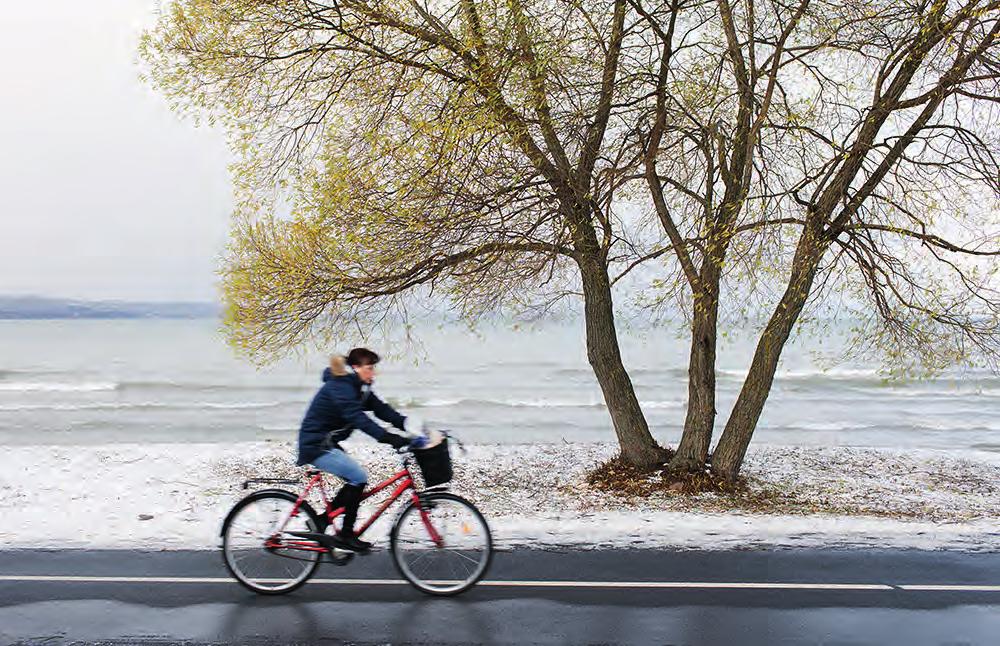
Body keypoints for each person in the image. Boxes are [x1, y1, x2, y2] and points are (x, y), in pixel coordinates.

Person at [297, 347, 425, 552]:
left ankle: (321, 522)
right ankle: (346, 535)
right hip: (315, 445)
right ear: (355, 367)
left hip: (326, 443)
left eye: (374, 368)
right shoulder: (342, 387)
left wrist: (410, 425)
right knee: (358, 477)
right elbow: (358, 419)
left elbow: (382, 410)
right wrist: (390, 438)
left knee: (354, 481)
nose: (373, 373)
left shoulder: (359, 388)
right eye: (369, 368)